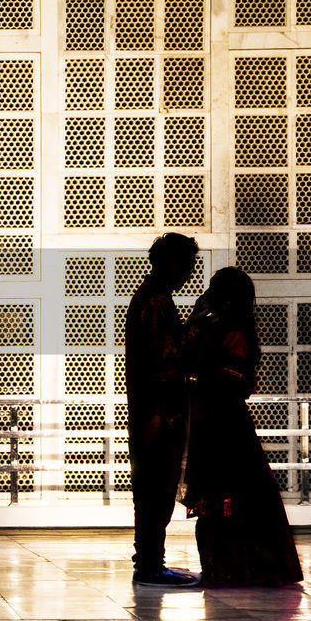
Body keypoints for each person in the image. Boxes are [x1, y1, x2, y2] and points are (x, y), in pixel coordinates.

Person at [179, 267, 303, 586]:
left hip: (224, 425)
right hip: (215, 420)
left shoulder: (233, 330)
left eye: (217, 290)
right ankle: (223, 569)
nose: (210, 295)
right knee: (221, 497)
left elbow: (229, 379)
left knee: (229, 496)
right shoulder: (218, 326)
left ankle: (234, 570)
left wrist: (198, 379)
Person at [124, 233, 200, 586]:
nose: (188, 272)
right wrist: (199, 327)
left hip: (153, 413)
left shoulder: (153, 299)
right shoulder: (155, 303)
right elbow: (166, 356)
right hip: (159, 415)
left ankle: (151, 562)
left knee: (152, 491)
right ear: (168, 262)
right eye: (186, 264)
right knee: (157, 490)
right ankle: (151, 565)